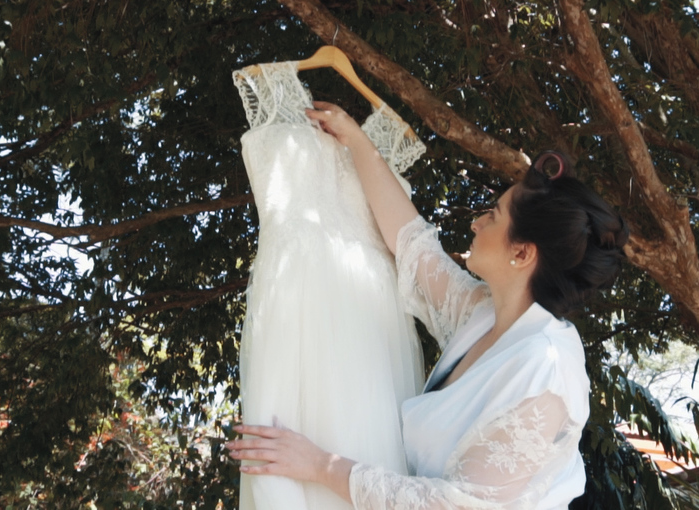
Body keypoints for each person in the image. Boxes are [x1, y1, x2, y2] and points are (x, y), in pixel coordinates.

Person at [226, 101, 630, 509]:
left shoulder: (546, 366)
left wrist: (319, 465)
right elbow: (415, 249)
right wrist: (355, 140)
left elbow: (456, 505)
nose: (476, 223)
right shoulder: (484, 315)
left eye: (493, 216)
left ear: (522, 253)